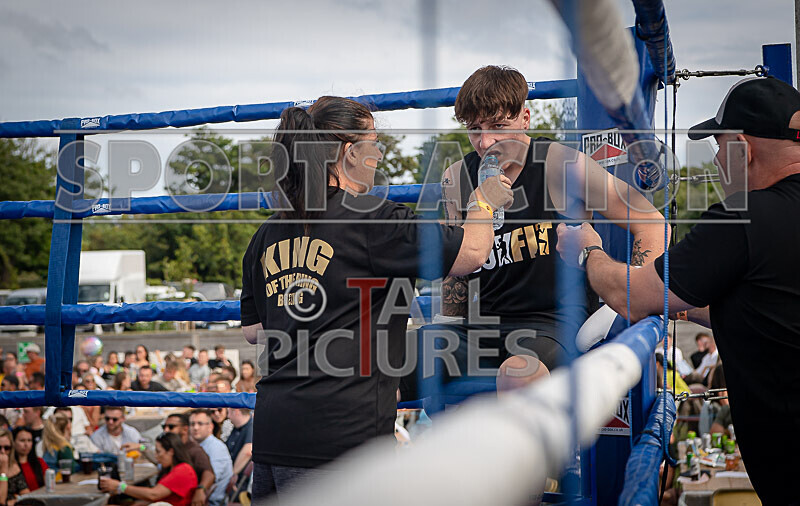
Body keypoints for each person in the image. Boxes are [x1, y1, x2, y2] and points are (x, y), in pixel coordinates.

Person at [240, 95, 510, 500]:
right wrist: (484, 200)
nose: (380, 153)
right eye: (374, 141)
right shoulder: (374, 218)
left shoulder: (267, 232)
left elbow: (253, 330)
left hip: (274, 432)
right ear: (349, 152)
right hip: (341, 443)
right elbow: (472, 253)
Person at [555, 76, 800, 504]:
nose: (717, 161)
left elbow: (637, 294)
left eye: (720, 147)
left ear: (744, 148)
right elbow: (768, 298)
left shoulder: (744, 219)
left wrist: (588, 251)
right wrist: (685, 309)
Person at [400, 66, 667, 401]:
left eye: (498, 126)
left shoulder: (560, 164)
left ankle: (545, 454)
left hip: (553, 325)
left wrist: (634, 296)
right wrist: (448, 326)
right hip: (482, 329)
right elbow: (459, 274)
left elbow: (652, 222)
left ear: (525, 118)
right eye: (475, 129)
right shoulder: (457, 176)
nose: (486, 142)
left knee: (518, 375)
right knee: (384, 360)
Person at [100, 432, 197, 506]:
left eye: (158, 452)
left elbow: (153, 494)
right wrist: (140, 447)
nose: (156, 456)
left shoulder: (183, 470)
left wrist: (120, 487)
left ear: (171, 451)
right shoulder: (172, 468)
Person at [188, 410, 232, 506]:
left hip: (210, 501)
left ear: (210, 426)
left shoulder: (216, 448)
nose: (195, 428)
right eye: (192, 424)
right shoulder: (197, 445)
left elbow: (211, 478)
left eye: (200, 424)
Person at [0, 428, 29, 505]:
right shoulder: (4, 467)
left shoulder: (14, 466)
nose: (3, 451)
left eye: (6, 448)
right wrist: (3, 471)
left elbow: (26, 494)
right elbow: (1, 500)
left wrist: (16, 500)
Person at [13, 427, 47, 491]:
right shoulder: (11, 465)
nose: (26, 444)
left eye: (29, 440)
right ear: (13, 442)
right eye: (22, 440)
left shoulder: (40, 462)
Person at [226, 409, 253, 482]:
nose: (228, 416)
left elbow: (247, 452)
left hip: (241, 481)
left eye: (228, 412)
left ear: (236, 412)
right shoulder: (235, 427)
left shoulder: (252, 427)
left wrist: (232, 474)